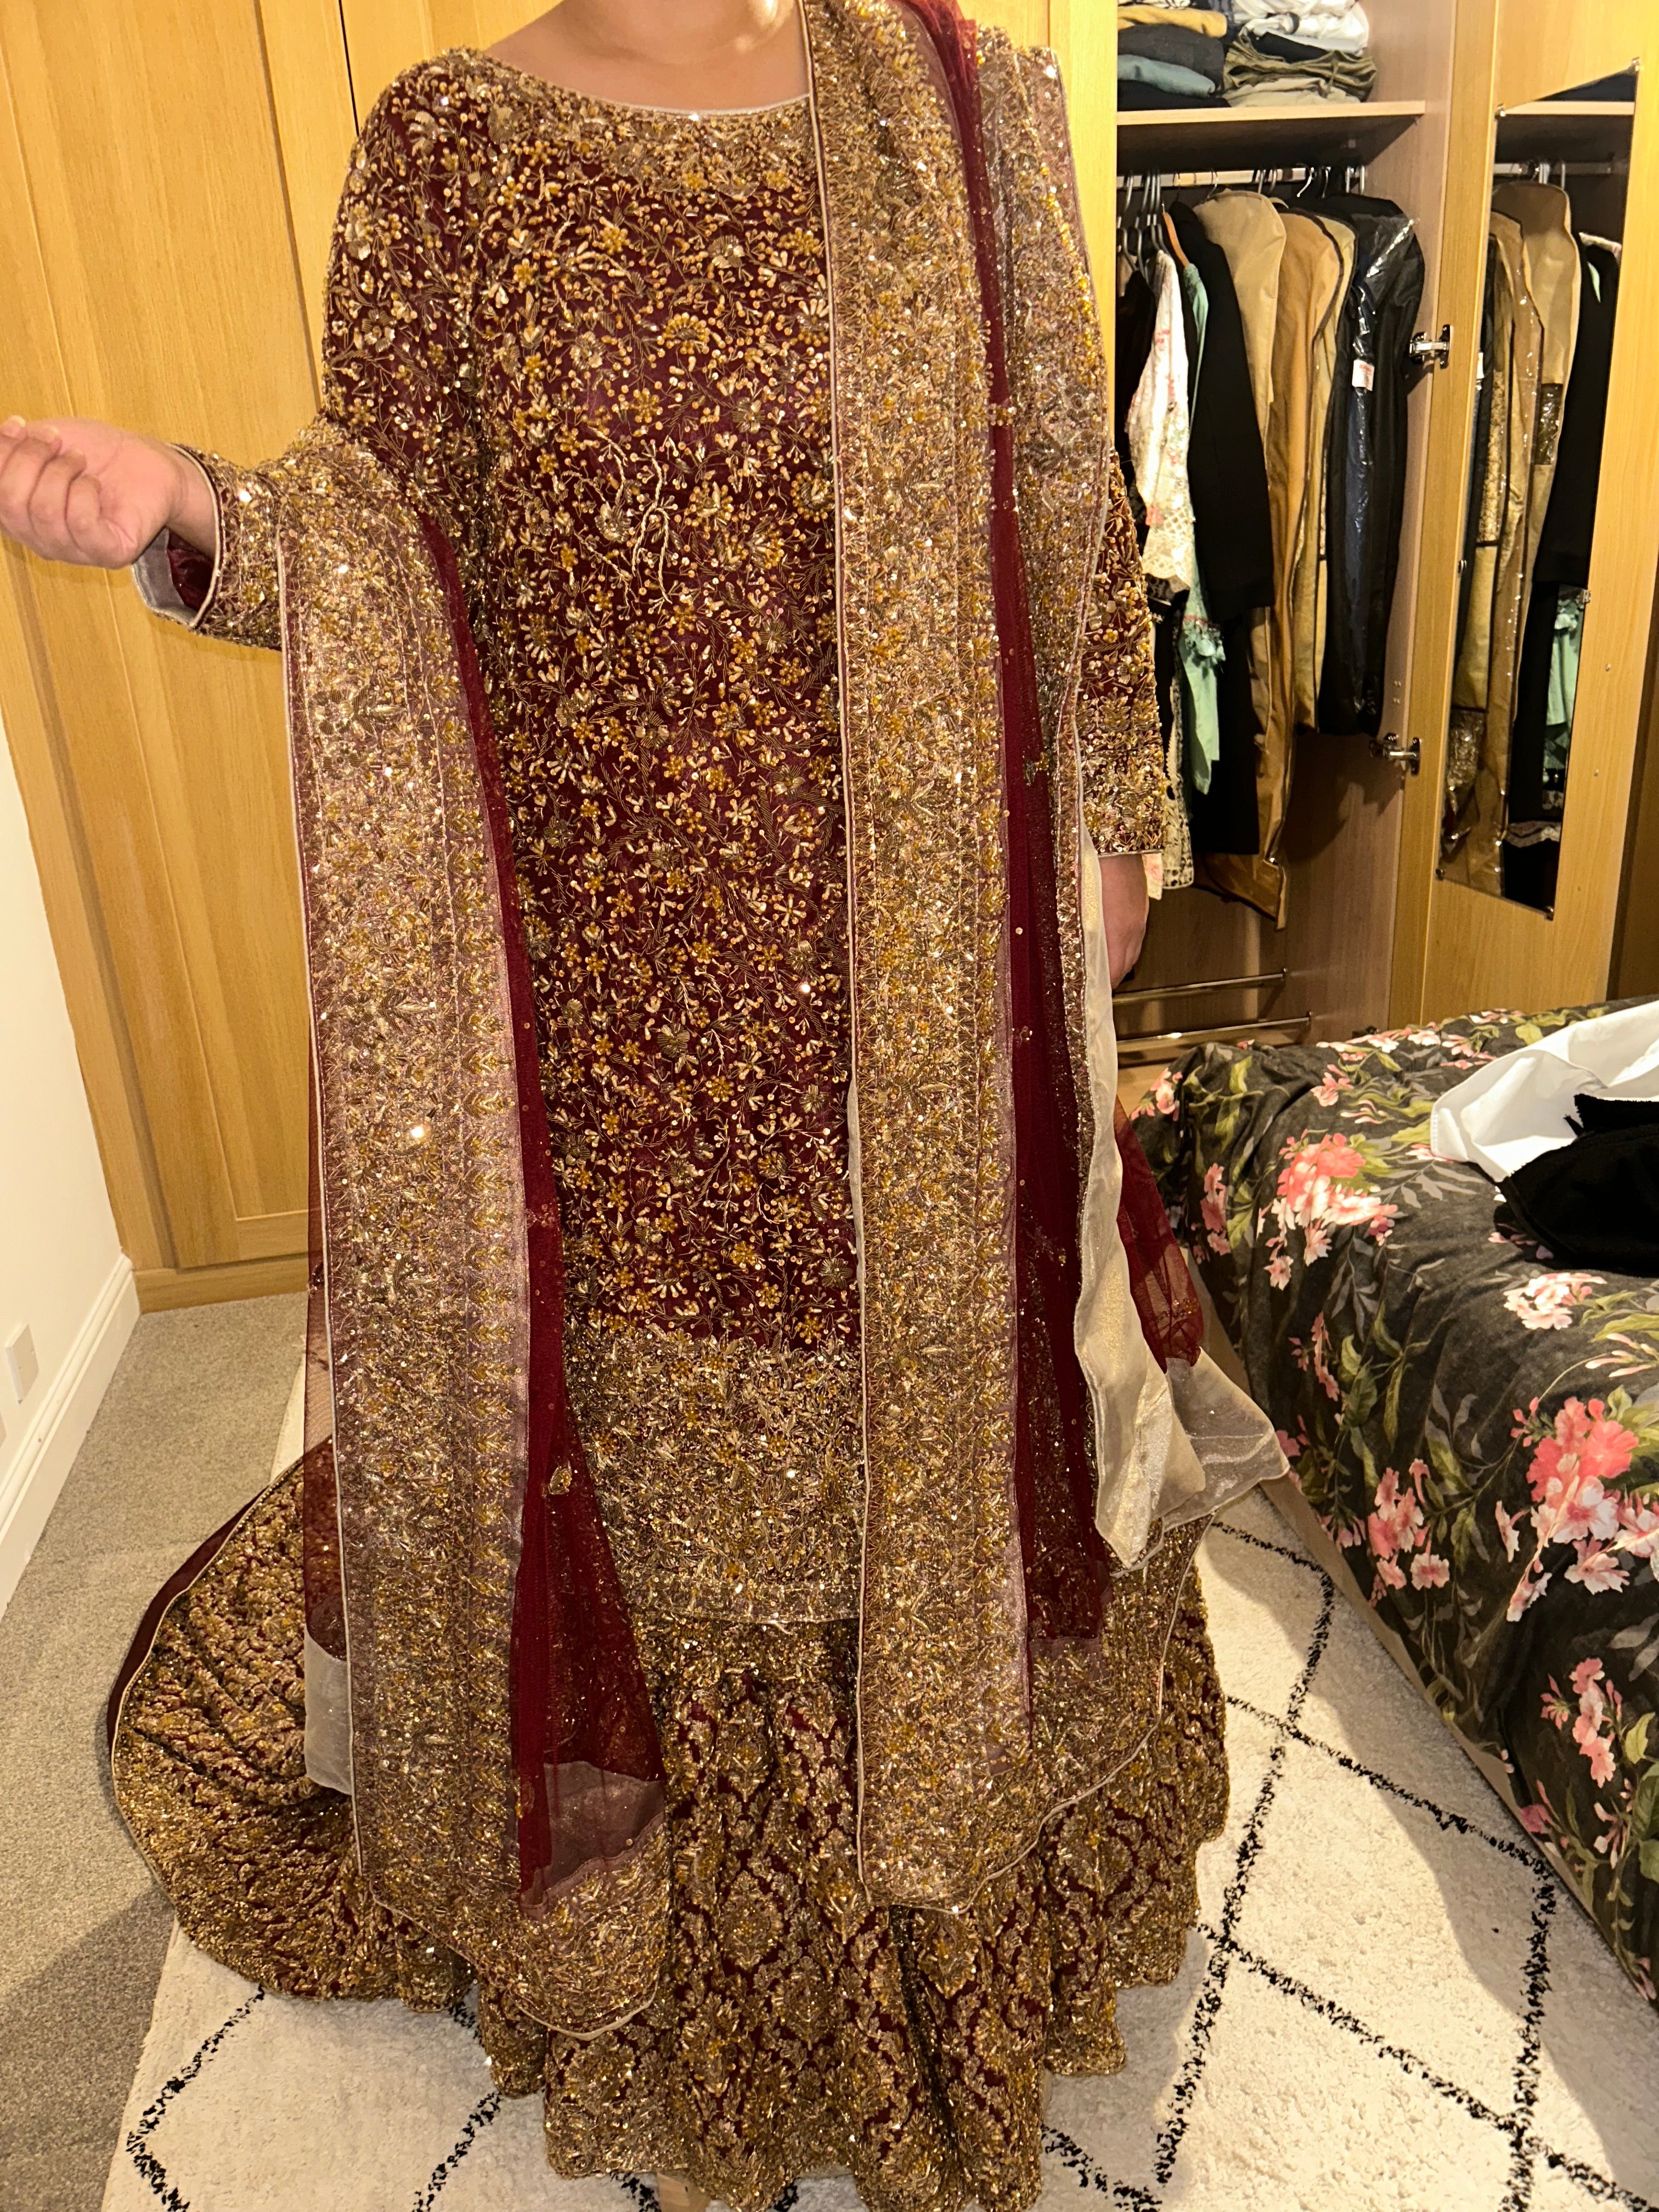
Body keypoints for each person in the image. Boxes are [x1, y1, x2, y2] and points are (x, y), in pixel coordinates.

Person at [0, 4, 1281, 2207]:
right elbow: (385, 542)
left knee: (955, 1416)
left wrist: (1113, 813)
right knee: (682, 1487)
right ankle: (688, 1978)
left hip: (937, 974)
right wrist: (197, 510)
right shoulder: (445, 152)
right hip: (615, 1004)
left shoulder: (964, 98)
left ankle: (957, 1920)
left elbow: (1069, 500)